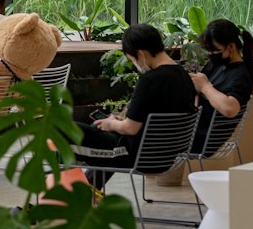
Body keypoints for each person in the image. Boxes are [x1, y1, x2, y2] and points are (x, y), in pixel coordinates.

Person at [74, 24, 196, 188]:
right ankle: (87, 191)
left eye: (132, 59)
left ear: (140, 54)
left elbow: (131, 129)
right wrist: (118, 123)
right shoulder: (185, 77)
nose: (135, 64)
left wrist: (112, 123)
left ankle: (58, 195)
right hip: (167, 155)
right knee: (100, 131)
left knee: (62, 128)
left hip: (138, 155)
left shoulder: (150, 80)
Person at [192, 19, 253, 135]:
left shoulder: (240, 75)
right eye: (209, 51)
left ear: (231, 47)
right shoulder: (215, 65)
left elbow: (230, 109)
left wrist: (206, 87)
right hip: (193, 129)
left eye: (216, 50)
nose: (212, 55)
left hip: (200, 136)